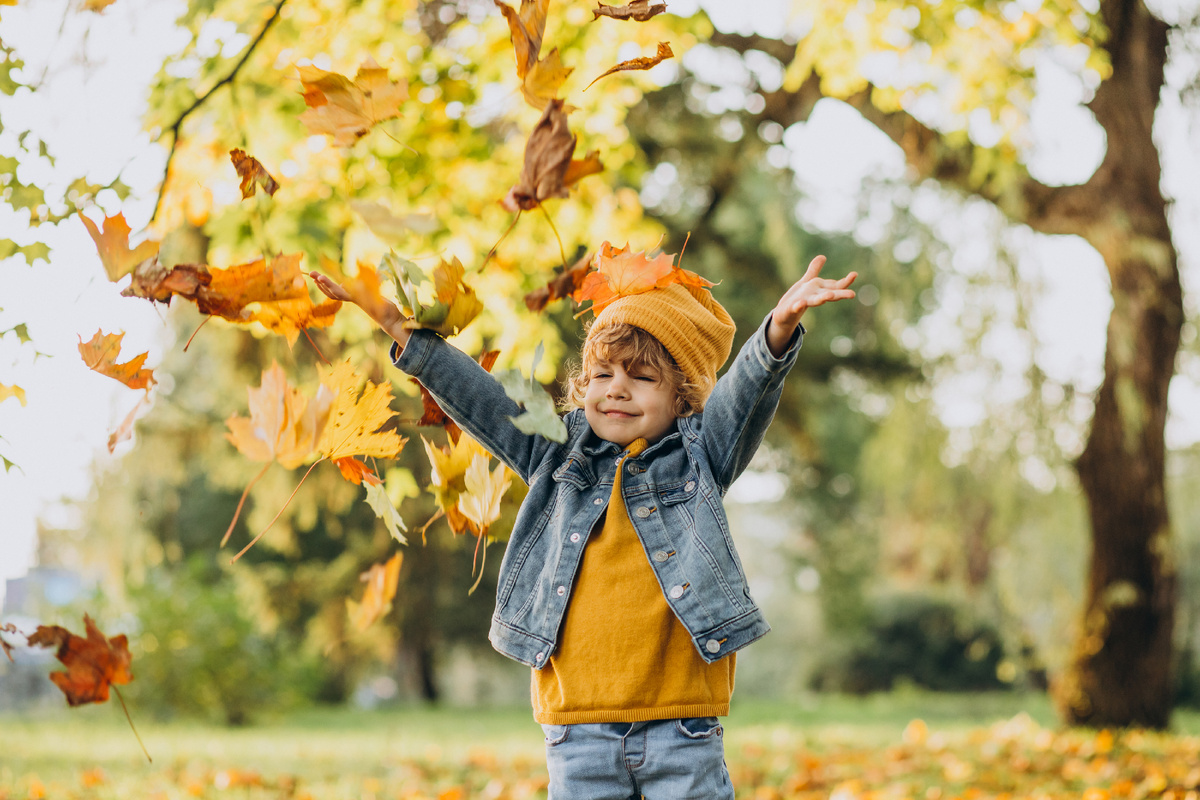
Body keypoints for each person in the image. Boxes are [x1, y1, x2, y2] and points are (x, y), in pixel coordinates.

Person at [311, 253, 856, 799]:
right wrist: (393, 323)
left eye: (642, 377)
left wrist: (778, 330)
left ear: (682, 398)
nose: (616, 388)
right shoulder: (554, 452)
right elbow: (480, 399)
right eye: (602, 374)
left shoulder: (700, 456)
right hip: (577, 732)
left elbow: (743, 397)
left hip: (682, 728)